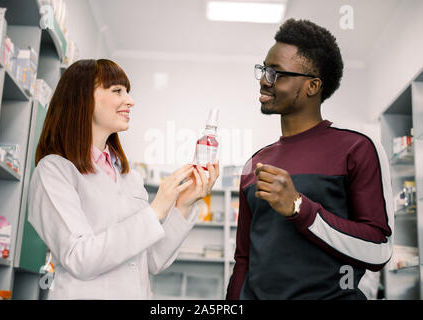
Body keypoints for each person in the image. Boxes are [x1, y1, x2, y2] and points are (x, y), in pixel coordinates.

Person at [226, 19, 394, 300]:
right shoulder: (254, 163)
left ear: (312, 86)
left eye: (276, 73)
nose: (264, 80)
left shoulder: (356, 148)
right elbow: (243, 259)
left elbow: (378, 250)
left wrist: (299, 207)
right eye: (263, 70)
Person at [28, 59, 219, 300]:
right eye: (117, 90)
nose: (130, 101)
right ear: (83, 97)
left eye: (127, 91)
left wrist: (183, 205)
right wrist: (156, 209)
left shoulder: (128, 176)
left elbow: (152, 261)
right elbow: (79, 257)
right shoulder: (54, 171)